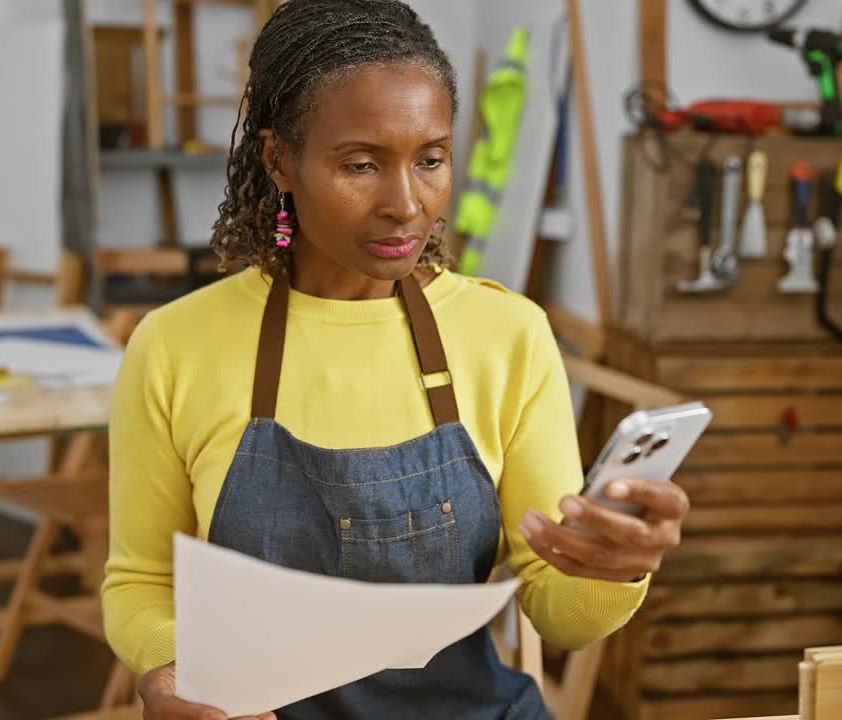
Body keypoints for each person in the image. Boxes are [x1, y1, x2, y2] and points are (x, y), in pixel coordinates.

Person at [103, 1, 690, 718]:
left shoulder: (508, 334)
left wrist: (615, 568)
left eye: (431, 159)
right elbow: (140, 582)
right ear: (278, 160)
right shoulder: (175, 346)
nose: (406, 204)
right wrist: (175, 669)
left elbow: (559, 613)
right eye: (360, 164)